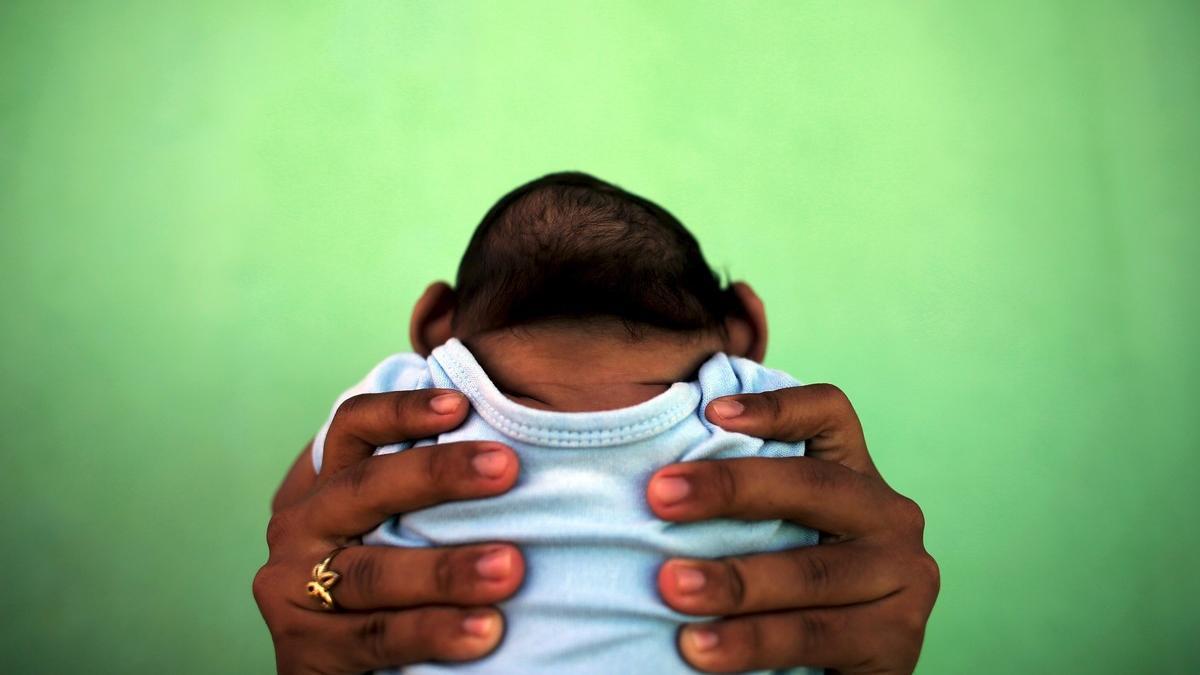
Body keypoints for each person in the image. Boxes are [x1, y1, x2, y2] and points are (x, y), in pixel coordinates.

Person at [254, 175, 940, 674]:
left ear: (435, 325)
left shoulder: (406, 394)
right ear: (746, 328)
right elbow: (848, 562)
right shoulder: (765, 406)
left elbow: (296, 523)